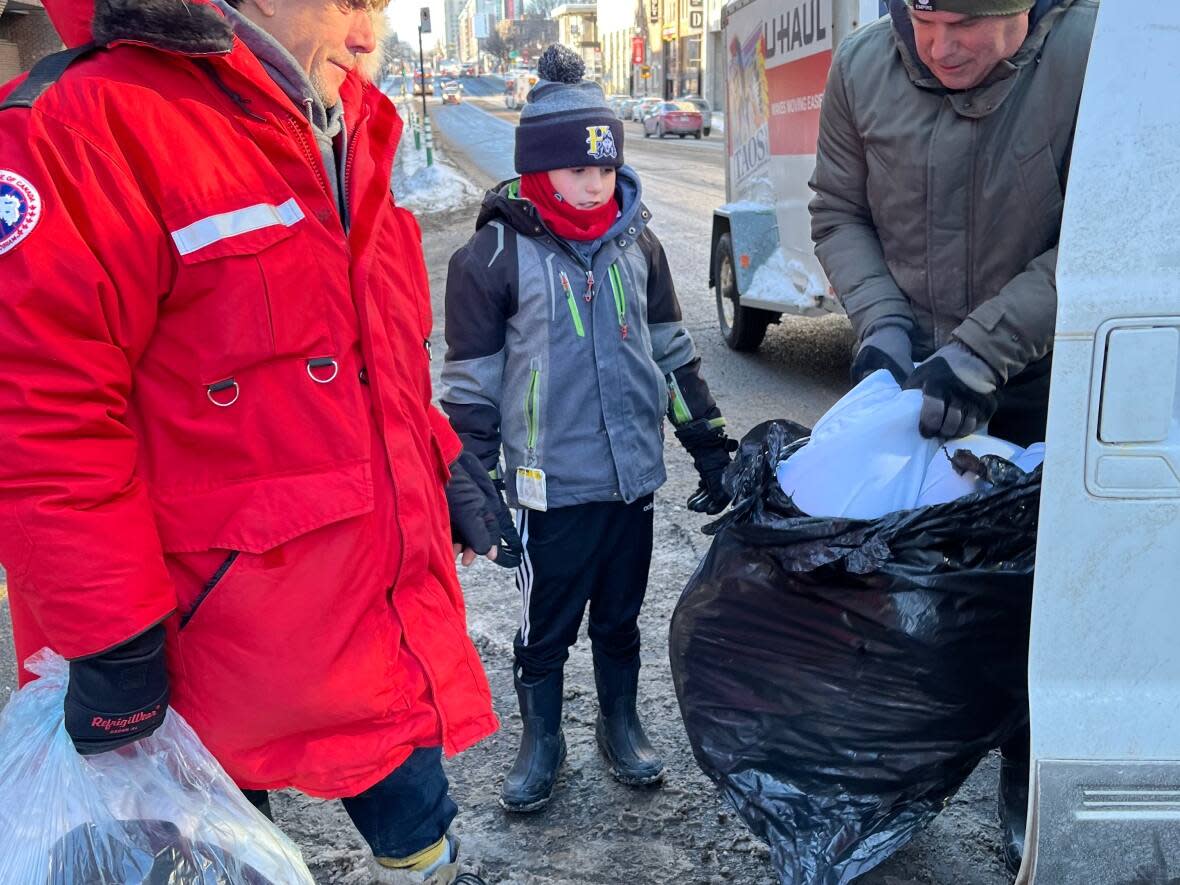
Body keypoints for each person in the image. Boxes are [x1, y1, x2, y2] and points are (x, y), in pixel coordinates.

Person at [0, 0, 517, 880]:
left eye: (384, 10)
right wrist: (110, 636)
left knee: (423, 839)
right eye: (352, 3)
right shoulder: (86, 126)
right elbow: (43, 409)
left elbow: (370, 356)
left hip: (372, 621)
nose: (371, 36)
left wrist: (441, 455)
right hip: (206, 647)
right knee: (214, 855)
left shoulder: (344, 123)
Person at [808, 0, 1098, 873]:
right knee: (895, 601)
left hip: (1048, 381)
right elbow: (837, 210)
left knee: (1039, 608)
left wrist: (984, 350)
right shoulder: (862, 66)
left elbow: (1106, 231)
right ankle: (898, 777)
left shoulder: (1096, 58)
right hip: (918, 383)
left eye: (968, 23)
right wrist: (884, 328)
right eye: (922, 20)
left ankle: (1027, 769)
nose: (940, 48)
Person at [440, 44, 736, 813]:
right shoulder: (493, 255)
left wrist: (707, 441)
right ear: (540, 170)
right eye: (579, 169)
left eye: (605, 168)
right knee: (545, 626)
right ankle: (542, 738)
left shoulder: (638, 242)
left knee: (621, 614)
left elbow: (672, 353)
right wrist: (474, 491)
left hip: (631, 478)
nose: (595, 182)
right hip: (551, 487)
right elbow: (469, 392)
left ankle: (620, 721)